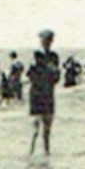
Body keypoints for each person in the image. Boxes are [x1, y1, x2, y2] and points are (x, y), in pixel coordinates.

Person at [27, 29, 61, 157]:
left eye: (49, 40)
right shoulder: (35, 55)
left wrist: (53, 72)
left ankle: (46, 152)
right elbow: (29, 74)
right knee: (35, 127)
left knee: (47, 127)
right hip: (37, 93)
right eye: (44, 40)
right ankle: (31, 152)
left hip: (48, 93)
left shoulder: (54, 57)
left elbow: (57, 77)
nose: (47, 42)